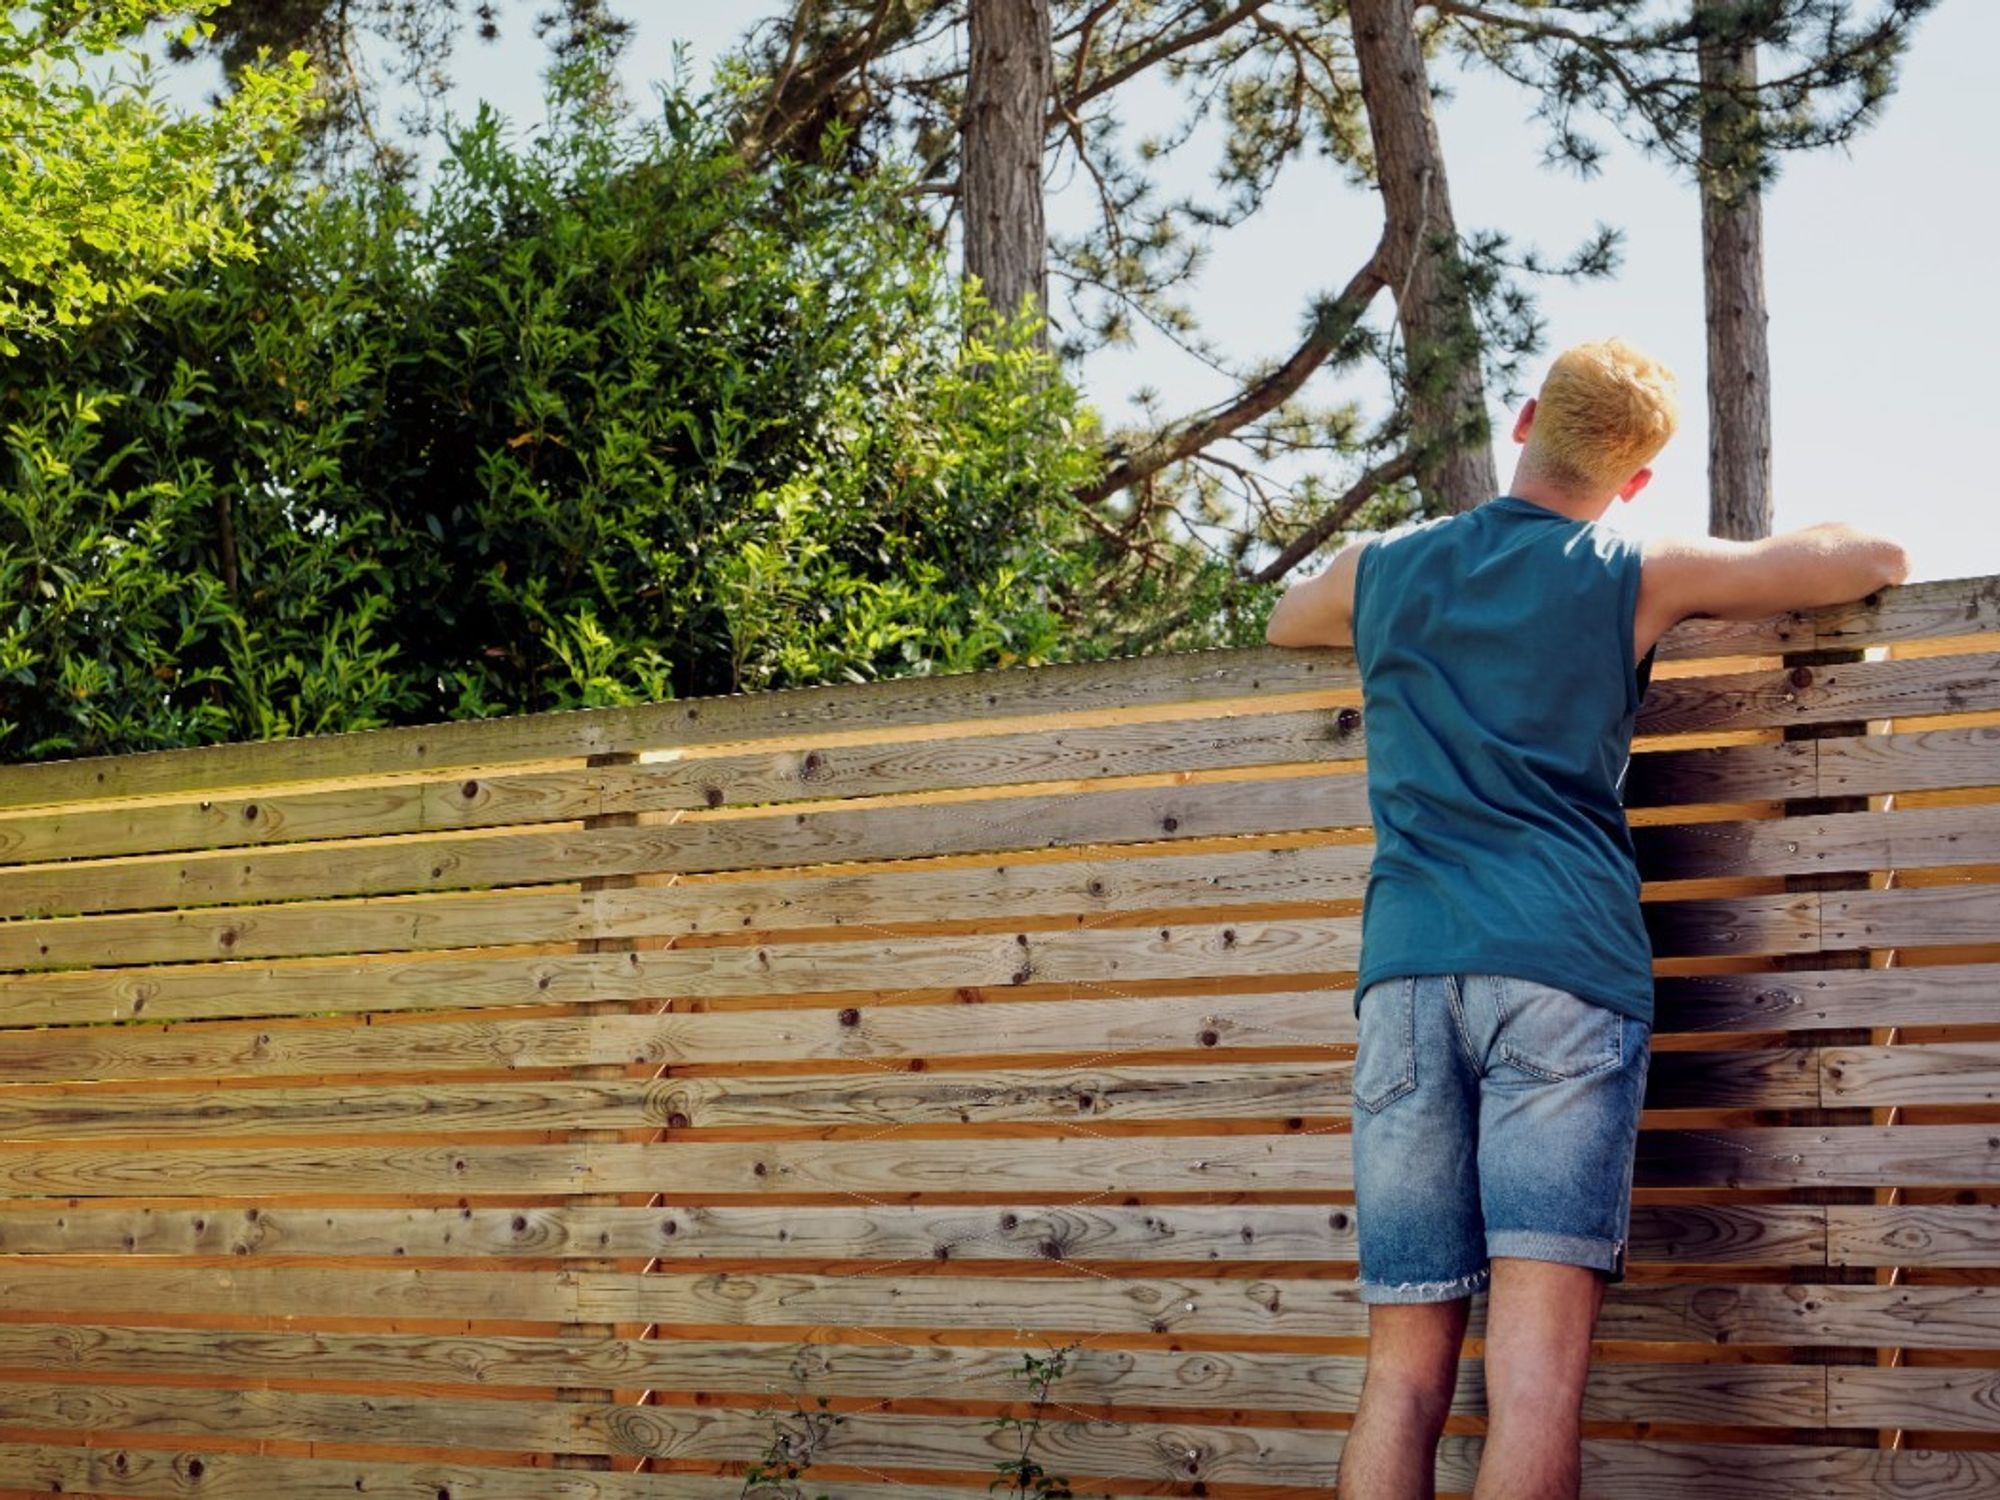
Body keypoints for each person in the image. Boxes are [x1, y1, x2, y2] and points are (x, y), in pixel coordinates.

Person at [1263, 338, 1909, 1500]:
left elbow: (1281, 617)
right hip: (1563, 978)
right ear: (1636, 477)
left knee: (1401, 1379)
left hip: (1404, 983)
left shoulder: (1384, 566)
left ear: (1520, 421)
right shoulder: (1629, 564)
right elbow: (1865, 556)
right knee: (1534, 1385)